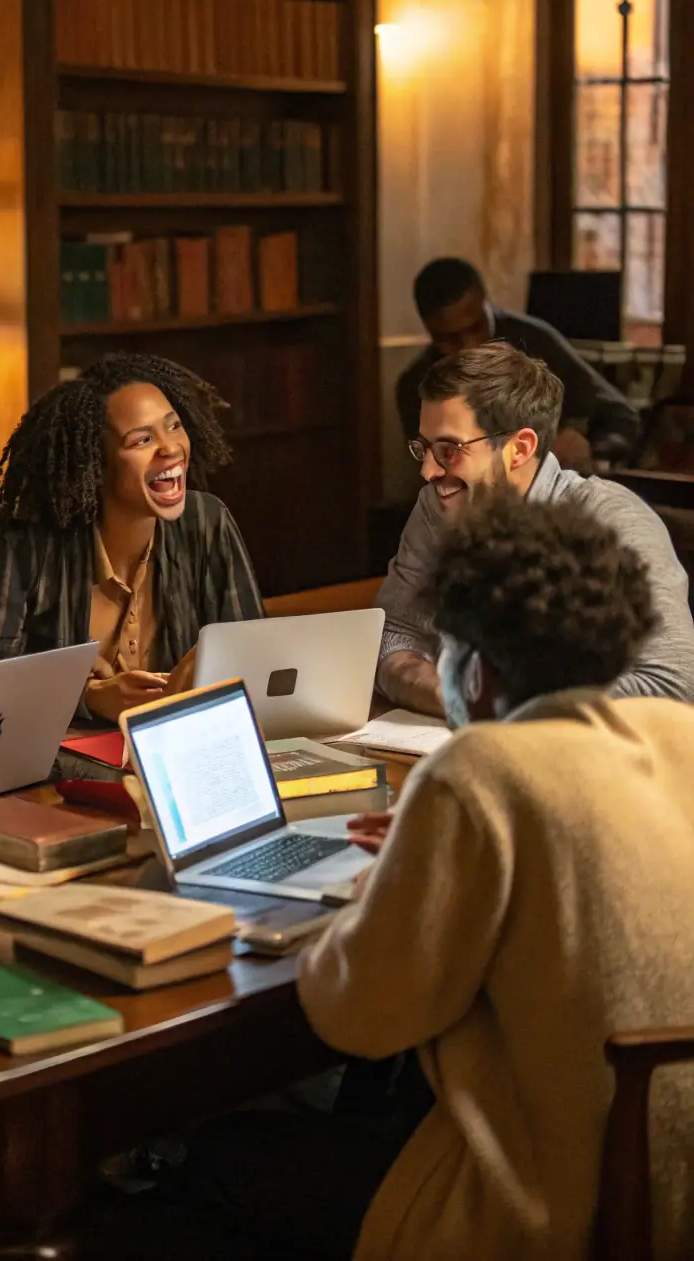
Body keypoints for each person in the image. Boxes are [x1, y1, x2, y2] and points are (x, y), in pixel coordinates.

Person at [89, 490, 694, 1261]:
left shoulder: (483, 770)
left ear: (471, 669)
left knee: (213, 1156)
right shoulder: (682, 734)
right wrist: (433, 864)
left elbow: (361, 1018)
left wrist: (388, 885)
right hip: (676, 1184)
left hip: (552, 1204)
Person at [378, 342, 694, 717]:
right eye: (424, 448)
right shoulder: (440, 504)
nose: (428, 471)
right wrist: (444, 694)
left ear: (520, 448)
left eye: (449, 450)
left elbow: (672, 684)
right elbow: (393, 633)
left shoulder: (610, 519)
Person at [0, 353, 264, 722]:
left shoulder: (207, 522)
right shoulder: (20, 545)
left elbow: (254, 663)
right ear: (96, 464)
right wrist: (87, 697)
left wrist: (217, 669)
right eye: (142, 439)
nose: (171, 448)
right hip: (50, 767)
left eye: (174, 426)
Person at [396, 257, 640, 471]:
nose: (470, 347)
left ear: (486, 303)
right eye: (449, 339)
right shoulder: (416, 385)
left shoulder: (534, 341)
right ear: (429, 331)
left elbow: (621, 416)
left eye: (477, 328)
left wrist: (590, 449)